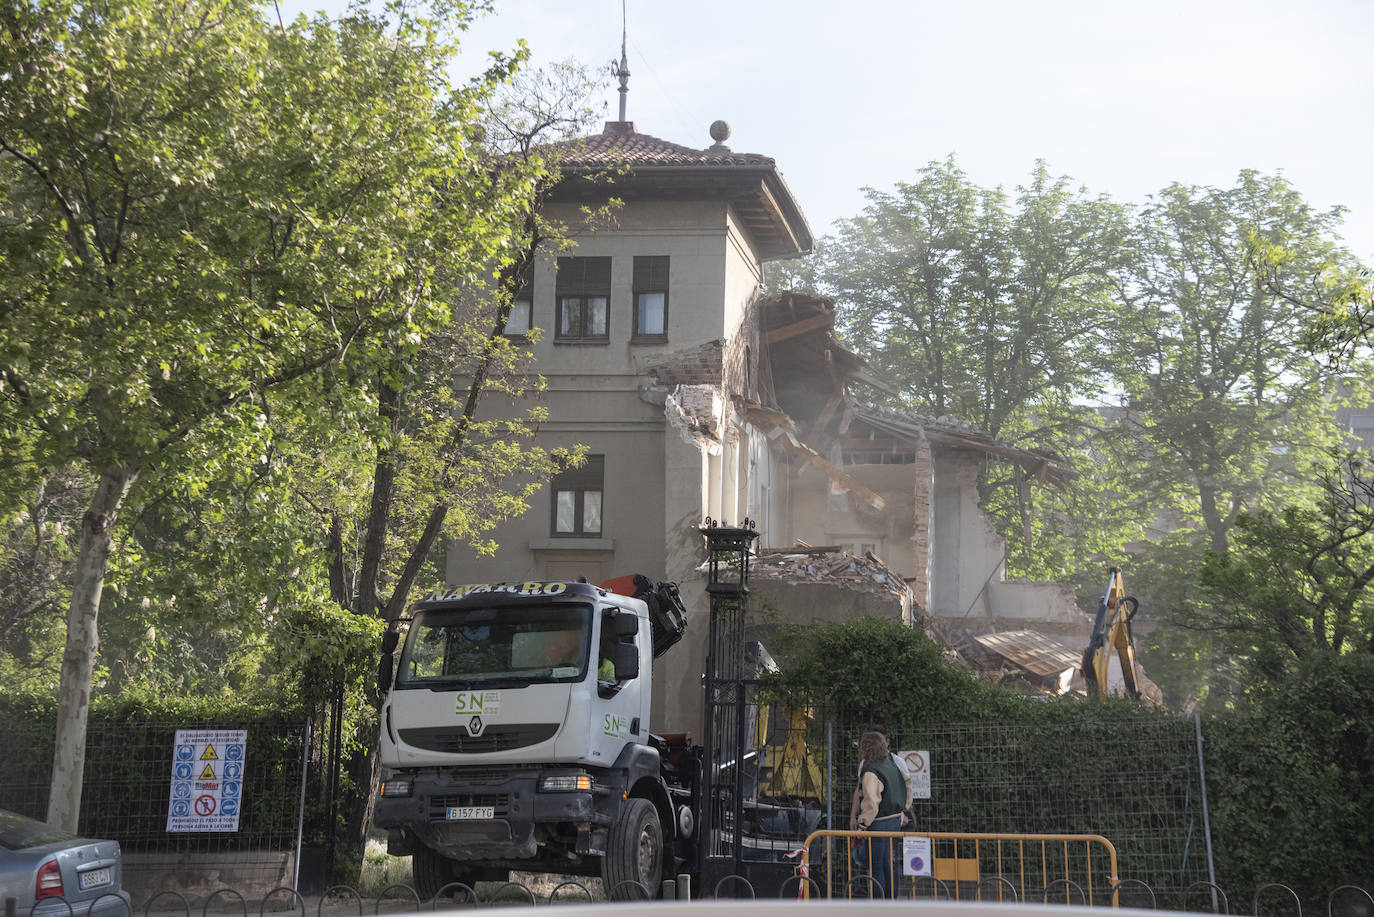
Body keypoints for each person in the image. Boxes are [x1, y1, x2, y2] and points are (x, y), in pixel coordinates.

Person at [855, 730, 907, 898]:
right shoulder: (892, 765)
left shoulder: (871, 770)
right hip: (894, 820)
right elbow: (908, 786)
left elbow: (871, 802)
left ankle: (879, 907)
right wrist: (903, 808)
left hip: (878, 822)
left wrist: (862, 824)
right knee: (890, 865)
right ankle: (891, 903)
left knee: (876, 867)